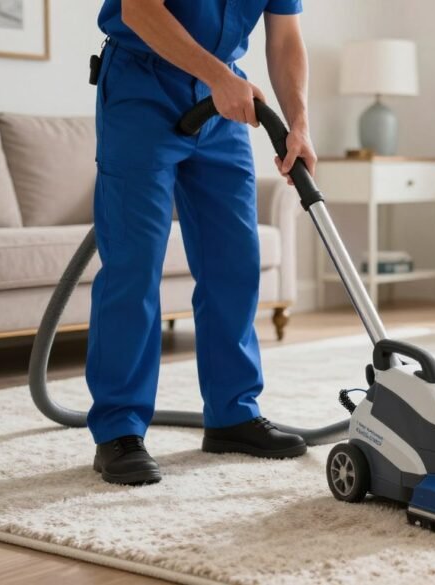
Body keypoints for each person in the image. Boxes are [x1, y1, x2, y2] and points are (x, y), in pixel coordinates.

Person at [88, 0, 318, 486]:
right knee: (134, 263)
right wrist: (217, 77)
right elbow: (139, 11)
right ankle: (119, 430)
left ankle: (233, 413)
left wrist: (298, 122)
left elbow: (285, 38)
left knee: (235, 261)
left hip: (224, 103)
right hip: (141, 84)